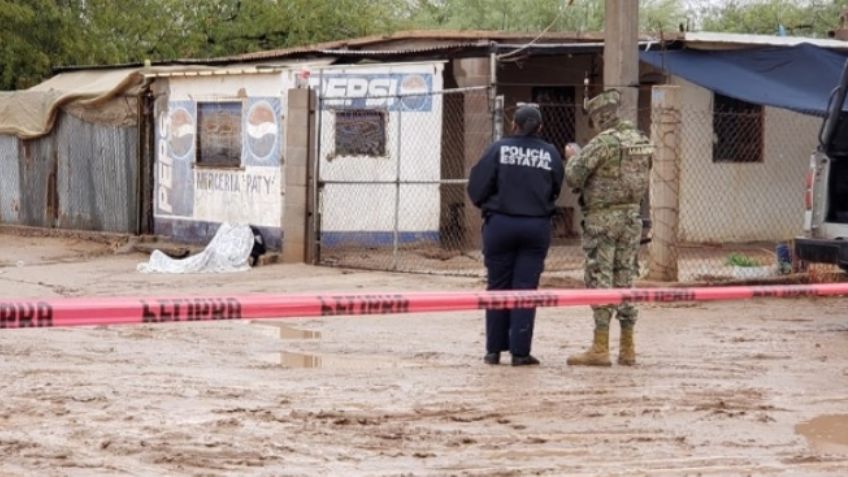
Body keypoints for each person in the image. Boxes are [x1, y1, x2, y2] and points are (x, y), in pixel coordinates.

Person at [467, 104, 565, 366]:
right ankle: (520, 352)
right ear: (540, 128)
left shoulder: (498, 149)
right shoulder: (550, 152)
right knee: (525, 289)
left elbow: (477, 186)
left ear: (514, 125)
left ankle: (493, 350)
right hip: (535, 227)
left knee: (497, 287)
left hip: (500, 225)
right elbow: (556, 186)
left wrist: (491, 206)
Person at [564, 89, 653, 367]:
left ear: (598, 117)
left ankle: (600, 347)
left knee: (600, 278)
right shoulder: (640, 140)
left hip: (602, 221)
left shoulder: (603, 143)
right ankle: (628, 348)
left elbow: (574, 177)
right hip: (631, 218)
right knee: (625, 277)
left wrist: (572, 157)